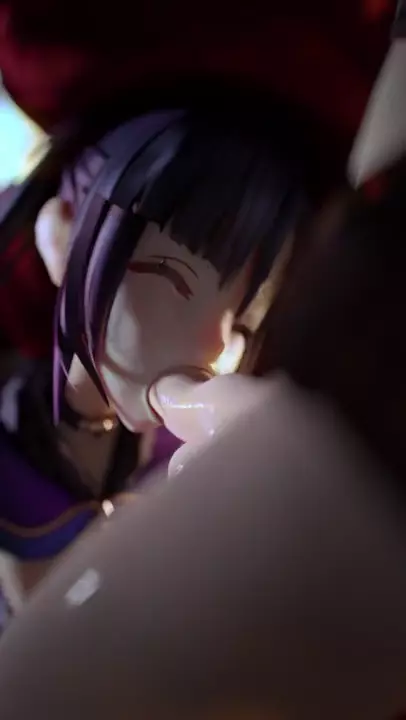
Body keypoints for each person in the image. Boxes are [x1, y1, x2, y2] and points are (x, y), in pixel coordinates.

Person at [0, 106, 305, 585]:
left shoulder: (174, 453)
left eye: (240, 324)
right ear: (61, 238)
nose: (216, 345)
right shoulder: (12, 452)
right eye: (171, 276)